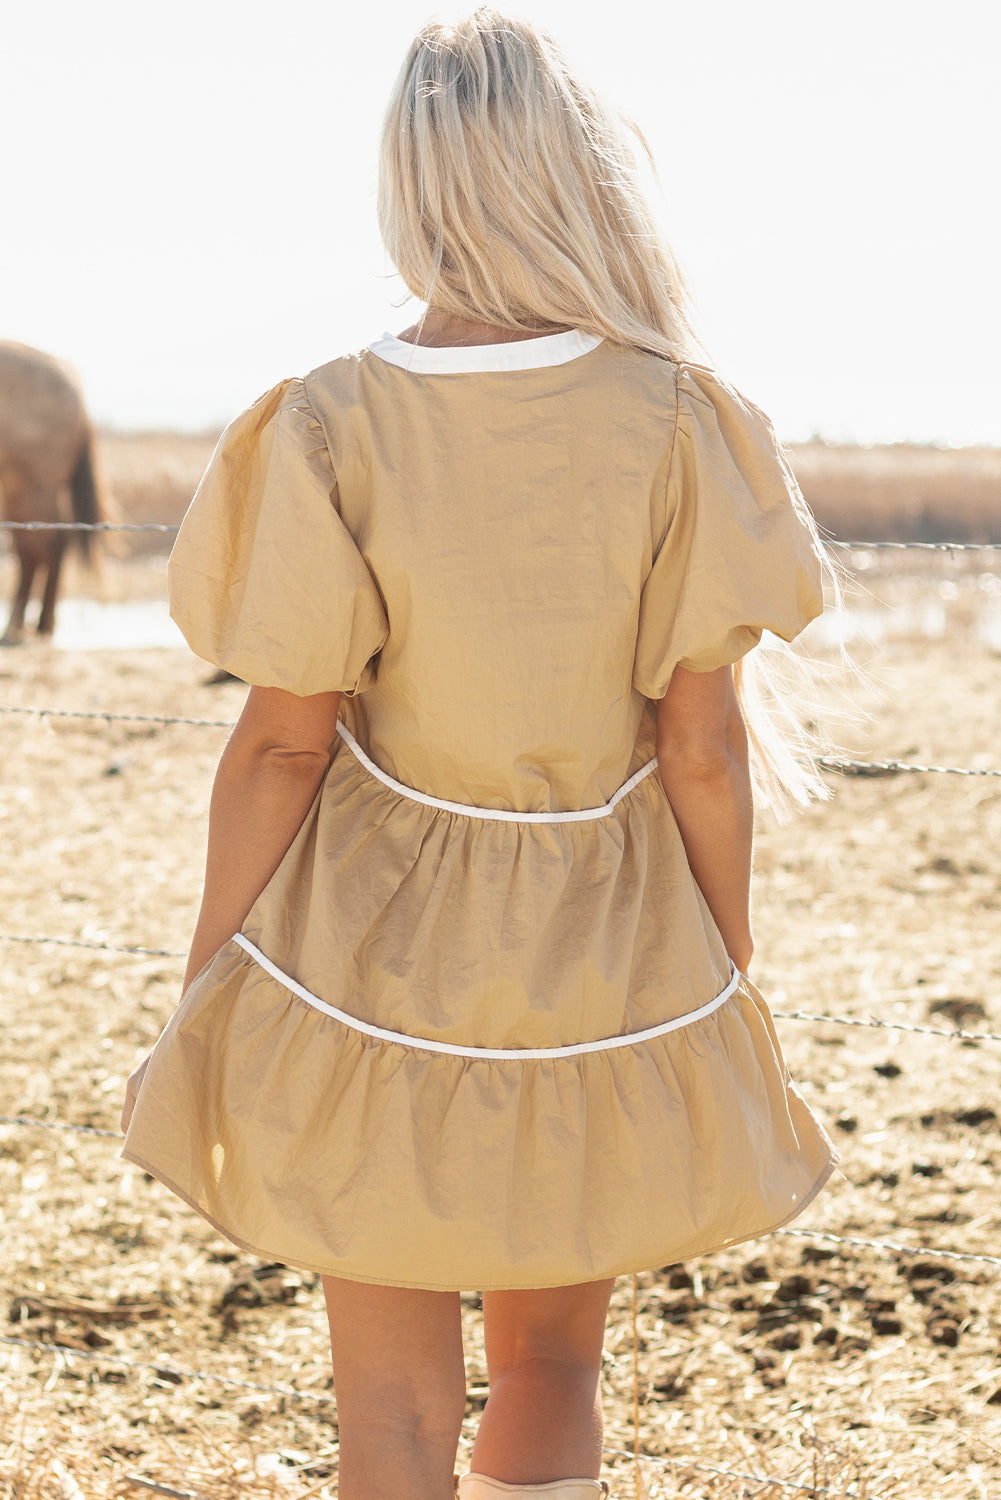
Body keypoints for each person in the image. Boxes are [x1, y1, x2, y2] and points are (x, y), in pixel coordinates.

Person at [121, 10, 840, 1498]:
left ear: (410, 188)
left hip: (366, 959)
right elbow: (699, 745)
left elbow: (279, 744)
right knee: (554, 1366)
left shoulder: (327, 421)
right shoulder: (678, 417)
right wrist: (718, 949)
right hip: (605, 943)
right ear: (576, 174)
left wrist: (212, 968)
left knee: (385, 1411)